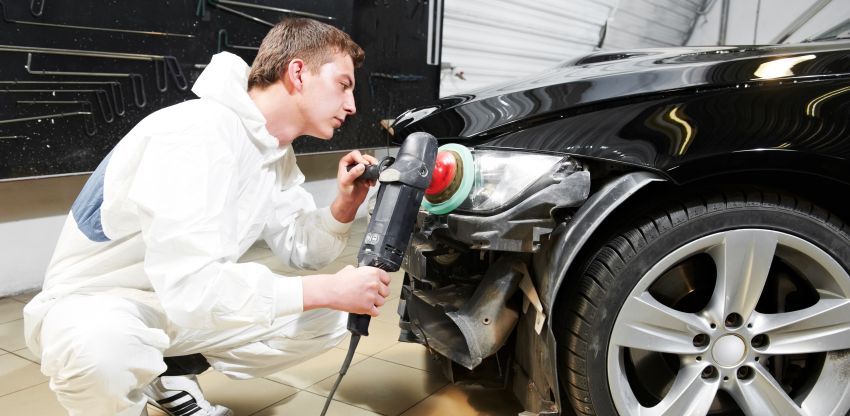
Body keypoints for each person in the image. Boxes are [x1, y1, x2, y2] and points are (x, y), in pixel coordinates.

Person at [23, 18, 391, 416]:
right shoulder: (197, 133)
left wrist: (344, 206)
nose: (352, 105)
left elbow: (301, 248)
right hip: (100, 305)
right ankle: (132, 376)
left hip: (175, 305)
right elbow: (193, 286)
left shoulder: (271, 151)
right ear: (298, 73)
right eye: (343, 85)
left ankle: (169, 372)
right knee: (99, 353)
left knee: (333, 315)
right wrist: (326, 287)